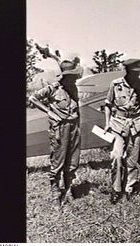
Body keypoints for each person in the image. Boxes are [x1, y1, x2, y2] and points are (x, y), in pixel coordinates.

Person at [29, 60, 82, 208]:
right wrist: (50, 112)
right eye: (72, 76)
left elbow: (76, 109)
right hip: (60, 128)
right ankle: (55, 192)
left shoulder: (74, 89)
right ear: (65, 76)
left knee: (73, 161)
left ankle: (68, 188)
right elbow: (33, 98)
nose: (75, 78)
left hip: (74, 127)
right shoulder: (53, 89)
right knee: (58, 161)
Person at [104, 58, 140, 204]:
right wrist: (107, 124)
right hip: (117, 124)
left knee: (132, 159)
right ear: (127, 71)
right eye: (134, 72)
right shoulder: (116, 84)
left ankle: (129, 188)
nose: (137, 75)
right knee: (116, 157)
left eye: (138, 72)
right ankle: (116, 190)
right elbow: (108, 104)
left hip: (135, 125)